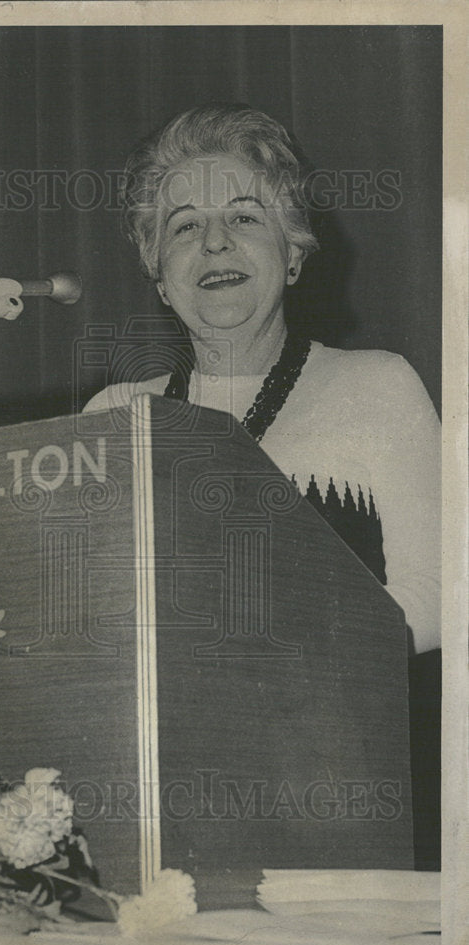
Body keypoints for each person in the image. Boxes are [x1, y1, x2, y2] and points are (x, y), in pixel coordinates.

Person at [84, 104, 441, 656]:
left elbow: (445, 591)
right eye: (186, 226)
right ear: (159, 277)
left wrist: (289, 644)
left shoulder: (376, 386)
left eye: (245, 218)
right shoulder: (114, 412)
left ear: (293, 252)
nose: (215, 241)